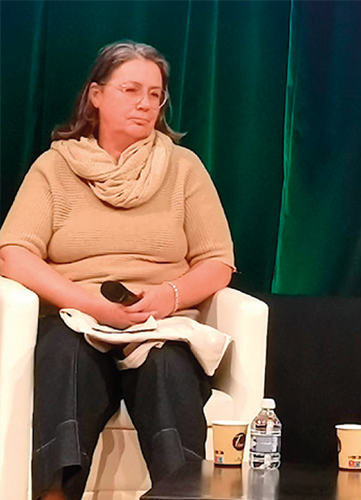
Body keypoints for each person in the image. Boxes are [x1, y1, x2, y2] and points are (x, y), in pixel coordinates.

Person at [0, 41, 234, 500]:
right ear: (96, 95)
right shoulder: (54, 168)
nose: (145, 104)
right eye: (131, 90)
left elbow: (217, 261)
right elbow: (14, 253)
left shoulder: (184, 168)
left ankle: (182, 494)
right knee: (66, 357)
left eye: (155, 94)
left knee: (167, 367)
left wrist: (168, 296)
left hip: (159, 323)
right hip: (77, 318)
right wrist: (90, 304)